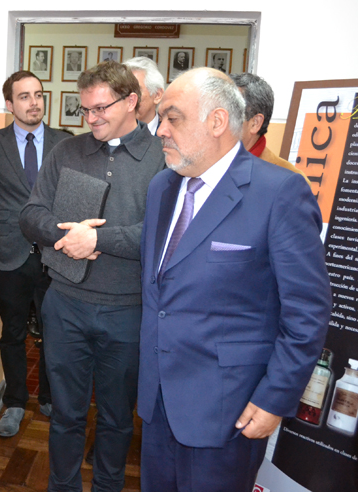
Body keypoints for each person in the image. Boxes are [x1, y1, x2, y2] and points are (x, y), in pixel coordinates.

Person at [138, 67, 332, 492]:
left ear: (217, 121)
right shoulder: (161, 188)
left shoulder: (278, 192)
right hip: (158, 403)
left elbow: (307, 311)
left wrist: (274, 398)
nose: (160, 130)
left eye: (172, 118)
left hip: (229, 411)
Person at [19, 60, 165, 492]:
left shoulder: (163, 156)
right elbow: (31, 214)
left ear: (131, 101)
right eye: (85, 109)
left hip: (128, 311)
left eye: (101, 108)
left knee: (118, 419)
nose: (91, 118)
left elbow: (163, 233)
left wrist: (99, 240)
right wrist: (65, 235)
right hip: (65, 305)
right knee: (65, 415)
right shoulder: (66, 151)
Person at [0, 70, 70, 437]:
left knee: (53, 331)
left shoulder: (65, 143)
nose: (34, 103)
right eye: (25, 96)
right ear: (9, 104)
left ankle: (48, 398)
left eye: (38, 95)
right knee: (12, 331)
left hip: (54, 252)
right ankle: (15, 401)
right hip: (8, 253)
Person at [230, 72, 311, 184]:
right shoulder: (208, 164)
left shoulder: (289, 182)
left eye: (229, 112)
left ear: (255, 123)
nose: (216, 122)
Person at [124, 56, 165, 135]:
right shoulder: (108, 134)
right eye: (122, 91)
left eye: (135, 91)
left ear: (157, 95)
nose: (126, 98)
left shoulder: (171, 135)